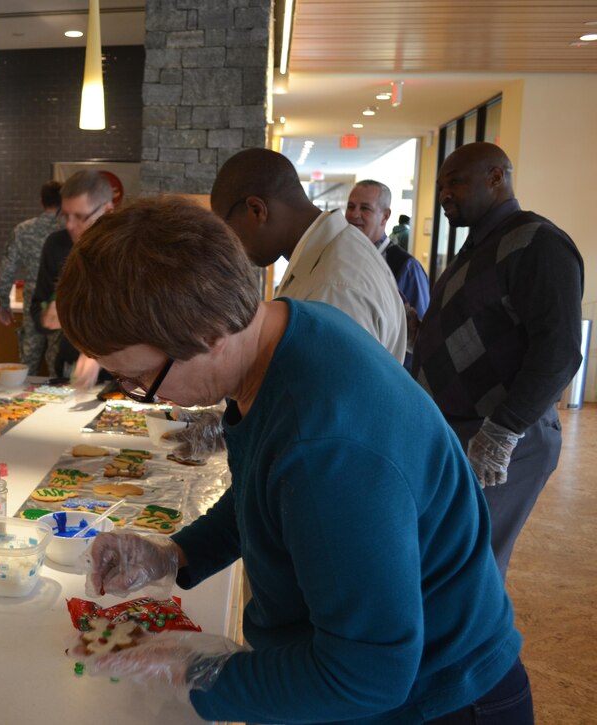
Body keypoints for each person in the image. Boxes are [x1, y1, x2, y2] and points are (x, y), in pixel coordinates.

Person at [56, 195, 530, 724]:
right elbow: (266, 486)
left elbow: (366, 675)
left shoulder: (325, 447)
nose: (143, 391)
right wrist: (175, 555)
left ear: (209, 336)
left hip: (440, 701)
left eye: (140, 378)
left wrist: (198, 673)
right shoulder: (287, 332)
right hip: (385, 677)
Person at [412, 142, 584, 577]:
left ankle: (483, 647)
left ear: (496, 178)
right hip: (458, 433)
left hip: (503, 439)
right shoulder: (478, 246)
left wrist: (502, 433)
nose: (445, 194)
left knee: (470, 570)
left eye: (456, 181)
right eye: (440, 185)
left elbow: (560, 349)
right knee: (447, 561)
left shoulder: (538, 243)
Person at [211, 148, 407, 363]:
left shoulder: (334, 286)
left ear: (257, 210)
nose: (233, 244)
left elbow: (330, 393)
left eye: (228, 230)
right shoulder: (327, 255)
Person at [30, 170, 114, 386]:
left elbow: (140, 322)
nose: (69, 224)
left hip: (122, 377)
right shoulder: (56, 245)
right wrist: (48, 315)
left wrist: (98, 352)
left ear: (107, 210)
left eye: (80, 216)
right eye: (65, 215)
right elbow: (38, 306)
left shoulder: (129, 251)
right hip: (69, 371)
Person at [346, 180, 431, 369]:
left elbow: (419, 341)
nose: (354, 214)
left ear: (385, 216)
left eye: (365, 208)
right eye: (351, 206)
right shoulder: (341, 256)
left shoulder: (407, 268)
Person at [0, 180, 64, 375]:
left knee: (26, 367)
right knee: (56, 366)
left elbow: (6, 273)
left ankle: (20, 405)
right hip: (60, 305)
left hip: (32, 303)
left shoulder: (23, 230)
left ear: (41, 201)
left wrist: (4, 304)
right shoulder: (69, 231)